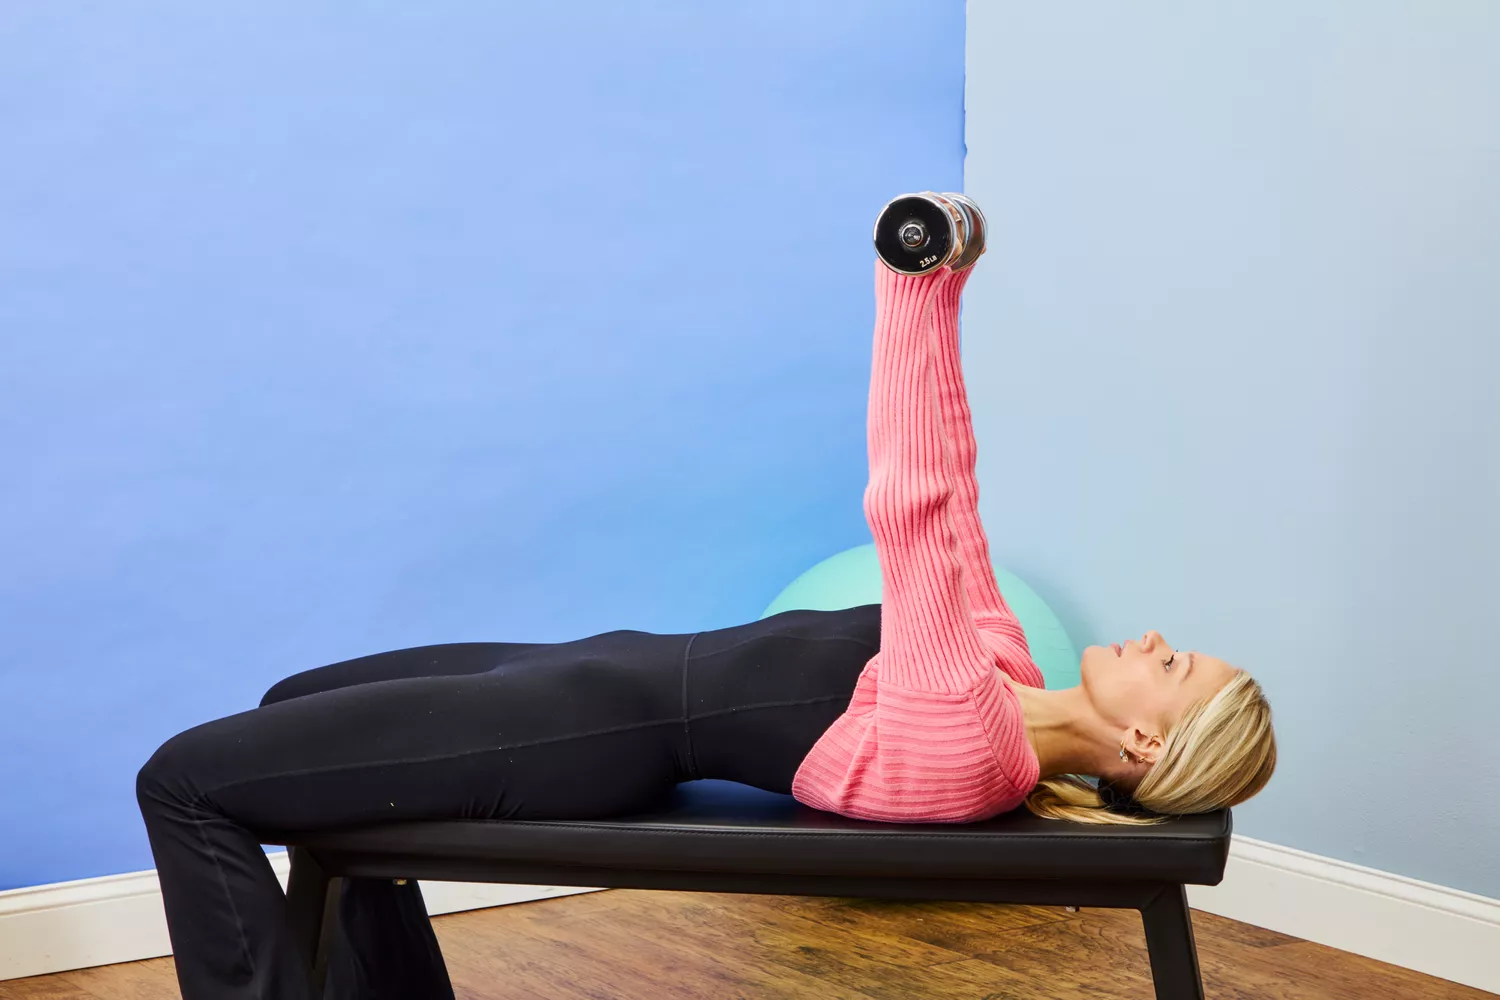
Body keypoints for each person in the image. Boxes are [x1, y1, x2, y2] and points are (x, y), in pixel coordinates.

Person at [136, 243, 1276, 1000]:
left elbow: (914, 505)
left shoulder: (977, 738)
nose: (1156, 637)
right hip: (585, 673)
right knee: (296, 709)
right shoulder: (1005, 663)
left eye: (1173, 667)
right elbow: (960, 483)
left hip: (583, 734)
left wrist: (906, 282)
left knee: (184, 779)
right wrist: (956, 280)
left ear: (1143, 748)